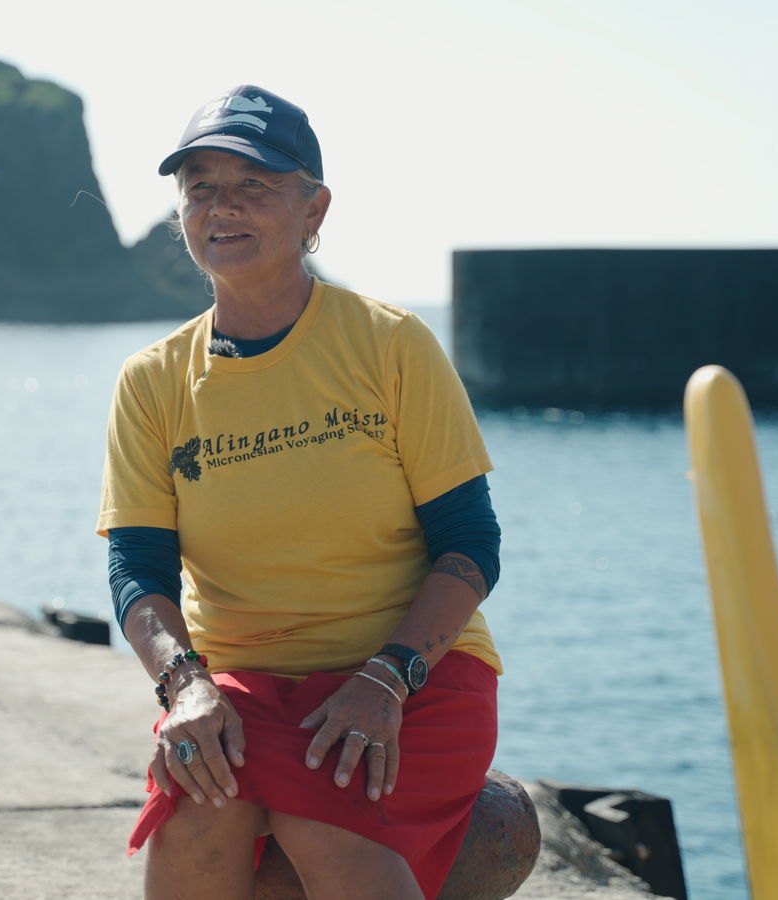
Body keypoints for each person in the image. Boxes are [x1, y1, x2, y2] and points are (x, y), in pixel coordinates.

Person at [97, 84, 504, 900]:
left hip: (412, 673)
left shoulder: (390, 344)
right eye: (201, 187)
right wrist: (187, 686)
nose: (223, 207)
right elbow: (138, 568)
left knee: (327, 819)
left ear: (314, 209)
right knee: (194, 809)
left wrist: (386, 679)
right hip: (241, 686)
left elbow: (470, 541)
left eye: (255, 185)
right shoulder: (153, 381)